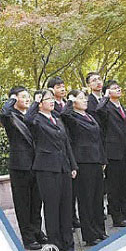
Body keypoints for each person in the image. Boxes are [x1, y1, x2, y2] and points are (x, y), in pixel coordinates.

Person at [25, 90, 78, 251]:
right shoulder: (36, 120)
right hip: (46, 170)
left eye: (52, 98)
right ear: (40, 102)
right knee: (52, 211)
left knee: (66, 210)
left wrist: (72, 165)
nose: (52, 101)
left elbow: (66, 143)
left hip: (63, 168)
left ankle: (69, 248)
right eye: (47, 99)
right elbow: (27, 119)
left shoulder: (57, 118)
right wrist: (35, 101)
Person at [0, 86, 46, 251]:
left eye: (28, 96)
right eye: (23, 96)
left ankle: (37, 231)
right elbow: (4, 112)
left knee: (36, 202)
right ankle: (28, 238)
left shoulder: (32, 115)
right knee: (23, 203)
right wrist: (11, 99)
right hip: (20, 165)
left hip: (36, 163)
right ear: (14, 99)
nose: (27, 99)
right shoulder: (10, 116)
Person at [61, 90, 108, 246]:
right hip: (83, 162)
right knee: (86, 199)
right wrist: (70, 100)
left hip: (96, 160)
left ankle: (100, 230)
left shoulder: (90, 117)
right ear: (74, 101)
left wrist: (103, 159)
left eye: (85, 98)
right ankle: (89, 235)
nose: (85, 100)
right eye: (81, 98)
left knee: (97, 198)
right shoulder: (72, 117)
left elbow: (98, 139)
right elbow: (64, 114)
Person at [96, 80, 126, 227]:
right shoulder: (106, 108)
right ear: (107, 92)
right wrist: (105, 97)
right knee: (114, 187)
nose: (118, 89)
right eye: (114, 88)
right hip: (112, 154)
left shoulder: (124, 109)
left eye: (118, 87)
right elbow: (98, 111)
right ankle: (117, 217)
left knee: (124, 185)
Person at [46, 76, 80, 228]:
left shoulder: (67, 103)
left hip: (73, 146)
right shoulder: (52, 107)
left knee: (73, 187)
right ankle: (68, 219)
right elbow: (62, 117)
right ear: (51, 89)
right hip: (59, 149)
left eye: (63, 86)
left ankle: (73, 216)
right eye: (58, 86)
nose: (62, 89)